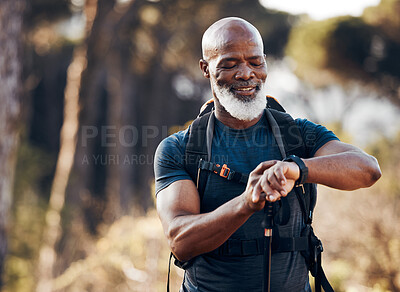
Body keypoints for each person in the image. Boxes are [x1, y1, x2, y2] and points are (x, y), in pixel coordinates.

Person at [154, 17, 381, 292]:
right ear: (205, 68)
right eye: (230, 64)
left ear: (265, 63)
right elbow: (180, 242)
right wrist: (246, 203)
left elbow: (368, 170)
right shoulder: (180, 148)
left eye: (255, 62)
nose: (246, 73)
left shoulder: (299, 135)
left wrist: (296, 170)